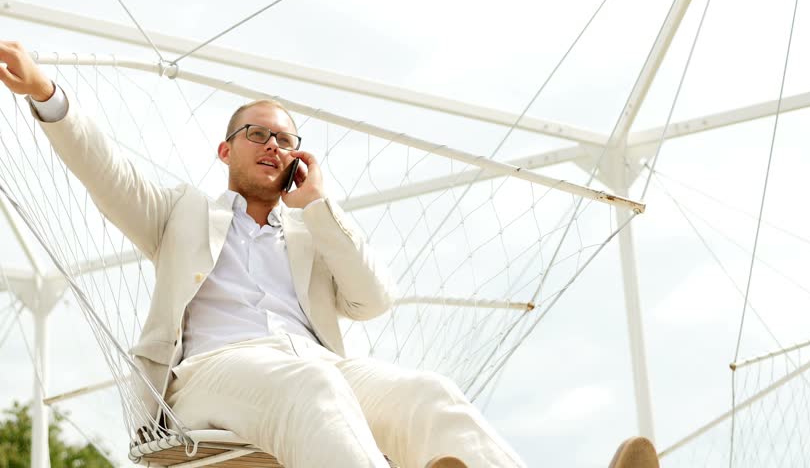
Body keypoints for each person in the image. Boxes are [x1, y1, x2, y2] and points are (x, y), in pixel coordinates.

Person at [0, 40, 660, 468]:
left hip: (317, 365)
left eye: (286, 139)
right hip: (213, 376)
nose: (273, 145)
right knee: (311, 388)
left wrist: (316, 205)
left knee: (429, 394)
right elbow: (103, 169)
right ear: (225, 151)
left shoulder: (310, 231)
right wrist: (46, 95)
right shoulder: (178, 213)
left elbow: (375, 299)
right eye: (256, 133)